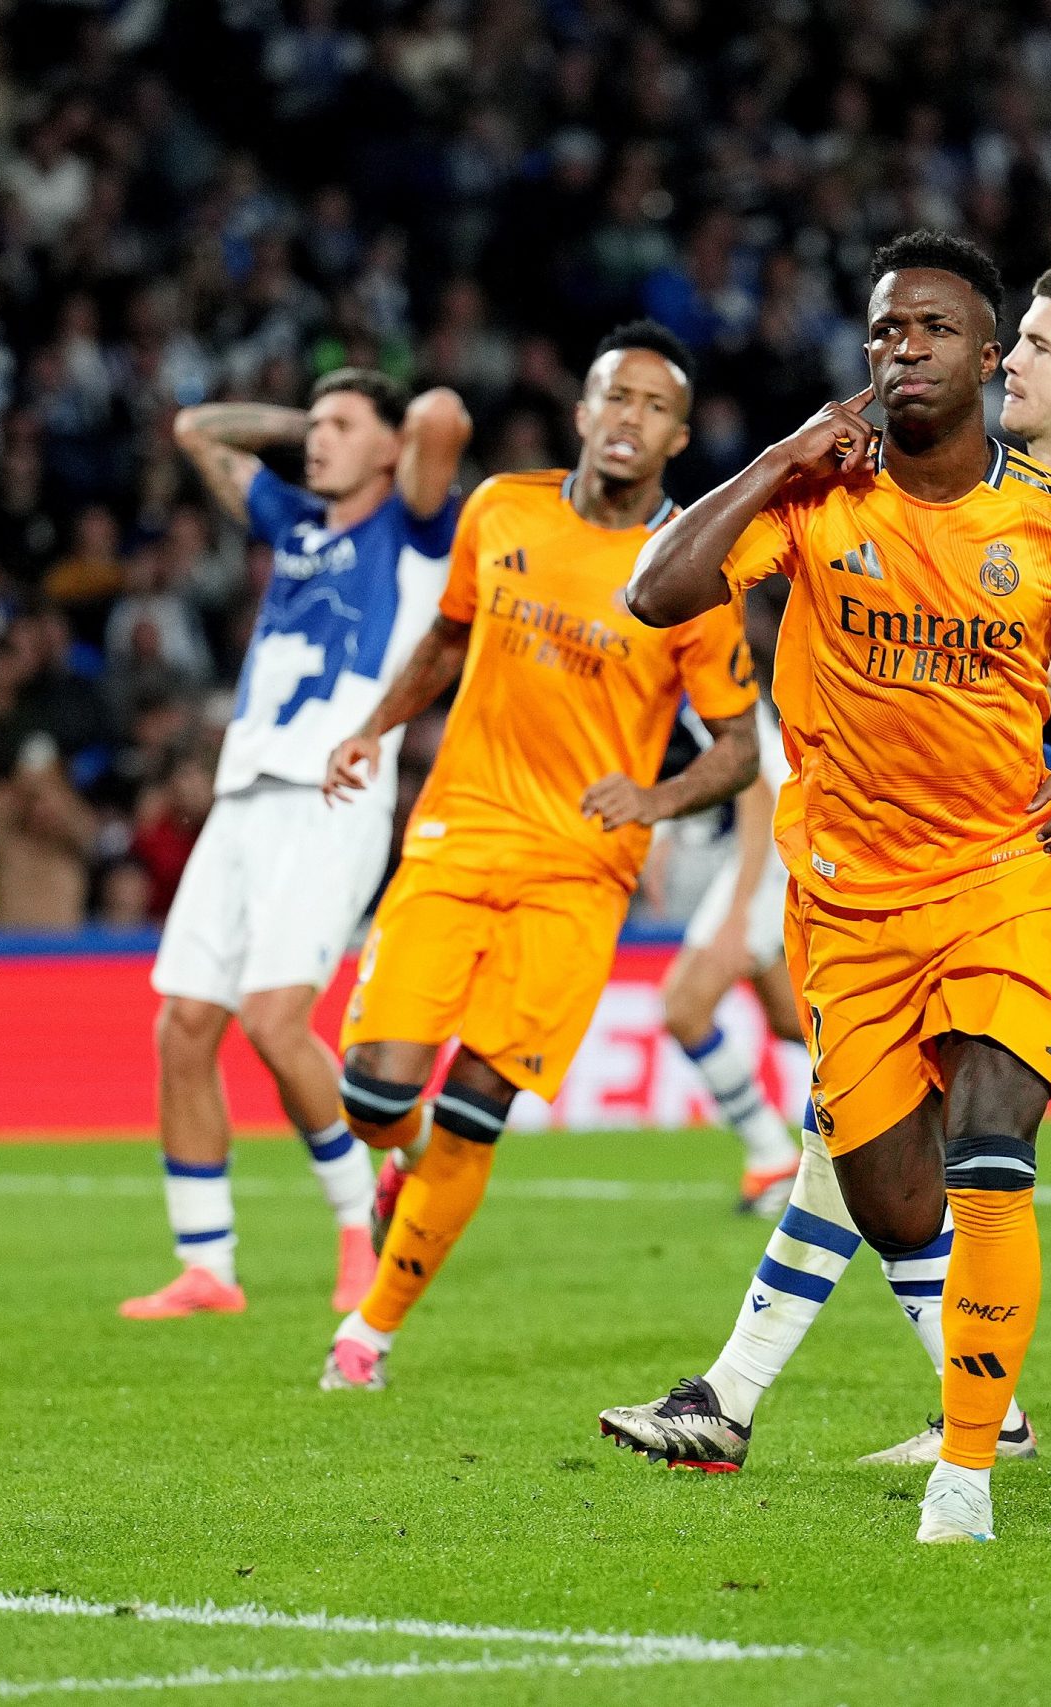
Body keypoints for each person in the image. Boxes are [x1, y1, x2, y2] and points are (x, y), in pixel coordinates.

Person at [619, 232, 1051, 1545]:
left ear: (985, 360)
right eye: (884, 331)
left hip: (1006, 876)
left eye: (934, 330)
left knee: (990, 1154)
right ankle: (780, 1392)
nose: (903, 349)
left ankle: (965, 1471)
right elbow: (655, 591)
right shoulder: (820, 494)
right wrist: (777, 458)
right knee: (885, 1193)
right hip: (847, 904)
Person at [314, 321, 761, 1395]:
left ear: (678, 438)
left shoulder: (687, 572)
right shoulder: (499, 508)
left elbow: (744, 744)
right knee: (372, 1098)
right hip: (456, 834)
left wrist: (653, 797)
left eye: (654, 407)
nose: (629, 419)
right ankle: (400, 1149)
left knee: (479, 1105)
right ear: (581, 413)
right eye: (615, 396)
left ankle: (368, 1334)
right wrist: (375, 727)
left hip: (580, 869)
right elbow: (447, 638)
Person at [117, 368, 471, 1323]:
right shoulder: (296, 524)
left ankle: (362, 1228)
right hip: (240, 797)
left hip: (332, 793)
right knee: (182, 1026)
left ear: (389, 448)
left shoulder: (414, 531)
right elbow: (196, 427)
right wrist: (309, 428)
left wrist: (397, 439)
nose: (317, 440)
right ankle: (207, 1266)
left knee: (276, 1021)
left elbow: (442, 415)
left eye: (342, 426)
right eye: (314, 426)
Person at [659, 695, 804, 1213]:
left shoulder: (697, 679)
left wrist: (739, 911)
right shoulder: (684, 670)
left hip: (775, 844)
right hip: (773, 844)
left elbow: (758, 791)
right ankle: (913, 1106)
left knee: (684, 1007)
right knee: (797, 1023)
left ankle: (772, 1156)